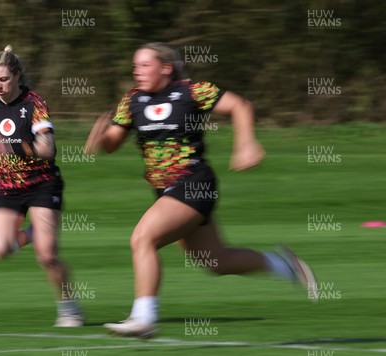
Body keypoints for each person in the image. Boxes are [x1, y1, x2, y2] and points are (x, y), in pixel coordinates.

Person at [85, 42, 318, 338]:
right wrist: (101, 139)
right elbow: (113, 142)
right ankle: (283, 265)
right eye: (135, 66)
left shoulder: (191, 91)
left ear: (165, 68)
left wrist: (245, 143)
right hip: (166, 192)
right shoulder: (132, 100)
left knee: (143, 238)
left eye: (144, 65)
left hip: (194, 184)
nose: (137, 71)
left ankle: (144, 317)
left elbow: (239, 105)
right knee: (216, 261)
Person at [0, 45, 83, 327]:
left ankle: (69, 307)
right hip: (6, 188)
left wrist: (15, 148)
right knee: (1, 249)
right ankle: (34, 232)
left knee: (48, 256)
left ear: (16, 76)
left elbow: (48, 149)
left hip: (42, 185)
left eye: (3, 79)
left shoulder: (34, 104)